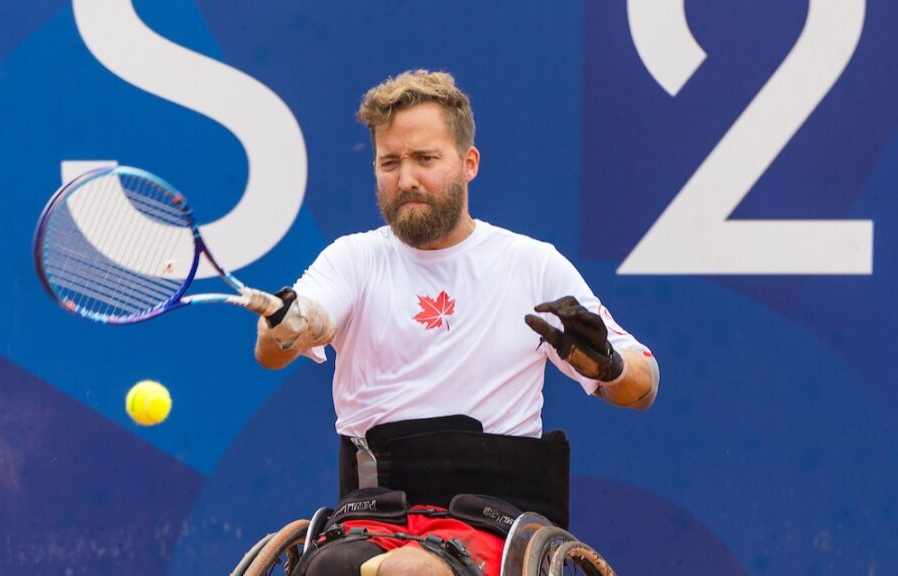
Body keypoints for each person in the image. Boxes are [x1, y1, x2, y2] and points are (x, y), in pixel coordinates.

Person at [253, 70, 659, 576]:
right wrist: (294, 322)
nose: (406, 180)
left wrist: (608, 366)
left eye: (425, 159)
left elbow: (642, 388)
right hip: (371, 517)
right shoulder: (352, 260)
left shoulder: (531, 264)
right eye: (390, 162)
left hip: (494, 522)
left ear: (469, 163)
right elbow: (277, 346)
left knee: (409, 573)